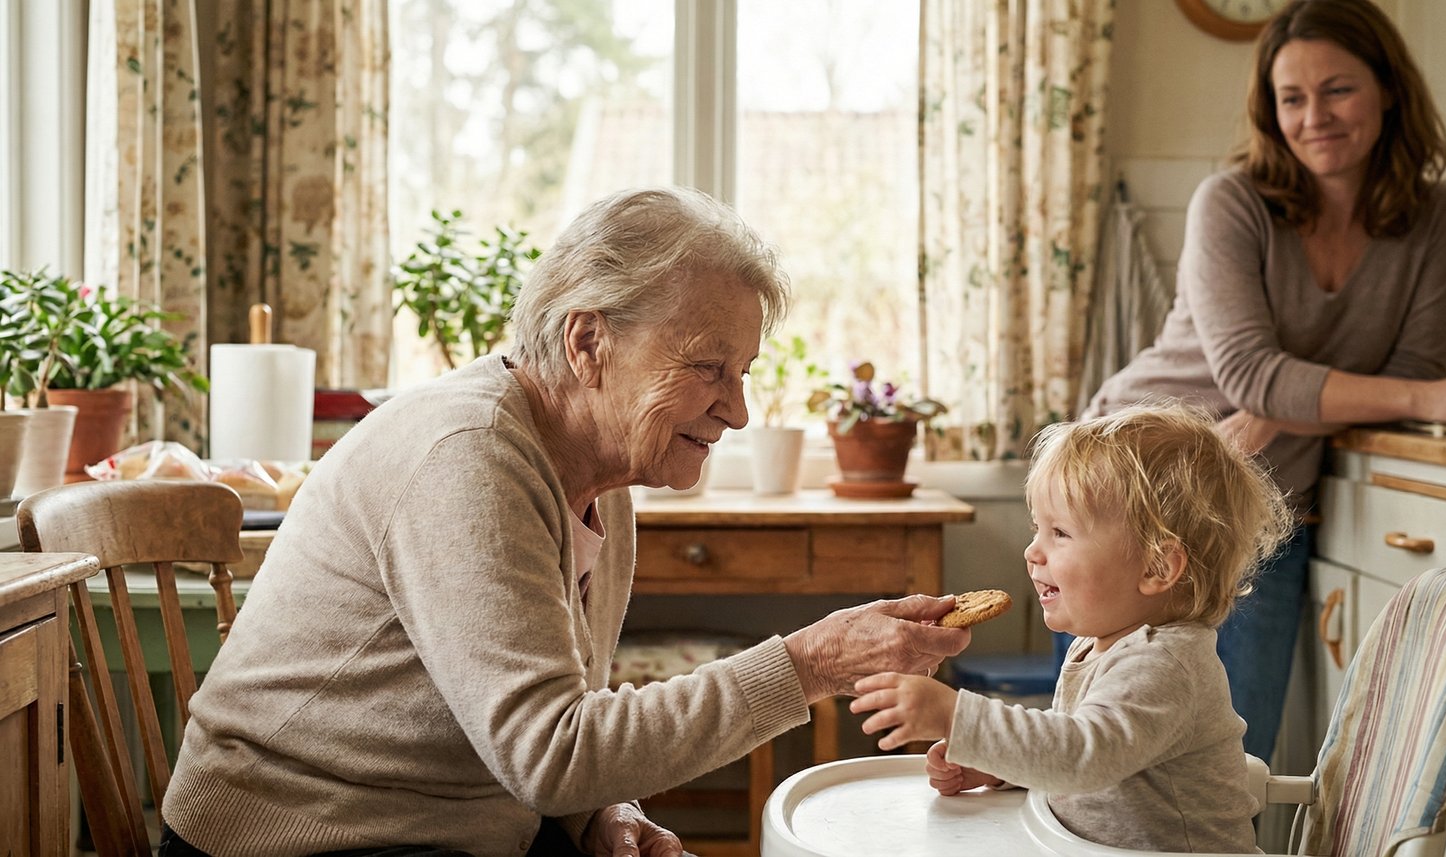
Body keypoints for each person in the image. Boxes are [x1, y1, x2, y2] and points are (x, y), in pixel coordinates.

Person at [159, 187, 972, 857]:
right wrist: (807, 663)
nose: (739, 408)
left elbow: (555, 716)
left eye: (744, 371)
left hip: (460, 824)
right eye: (708, 367)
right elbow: (550, 753)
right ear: (589, 342)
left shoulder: (602, 477)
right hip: (301, 839)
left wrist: (606, 813)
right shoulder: (467, 455)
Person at [1078, 0, 1446, 763]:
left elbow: (1398, 371)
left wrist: (1272, 416)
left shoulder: (1438, 221)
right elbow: (1259, 373)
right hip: (1133, 490)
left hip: (1264, 506)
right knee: (1102, 766)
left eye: (1338, 90)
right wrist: (1417, 399)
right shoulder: (1232, 201)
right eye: (1292, 98)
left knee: (1226, 766)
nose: (1314, 116)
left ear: (1388, 89)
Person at [849, 406, 1290, 852]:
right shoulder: (1100, 645)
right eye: (1037, 528)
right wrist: (1003, 767)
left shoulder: (1164, 664)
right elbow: (1072, 752)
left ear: (1157, 566)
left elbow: (1084, 754)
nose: (1032, 551)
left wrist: (956, 717)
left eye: (1059, 532)